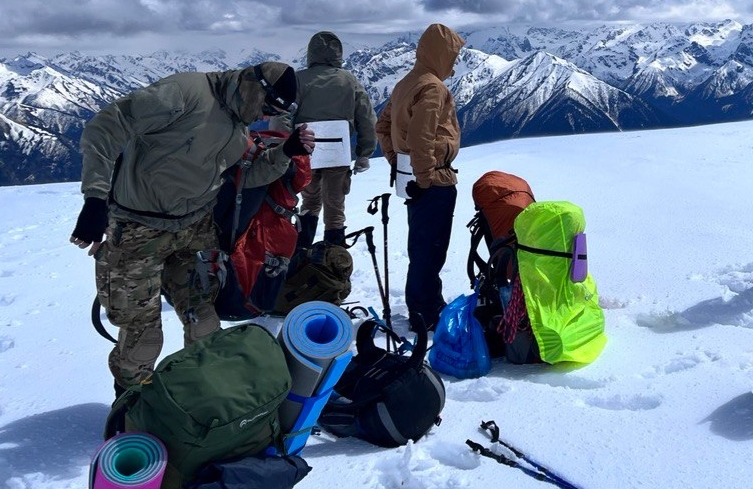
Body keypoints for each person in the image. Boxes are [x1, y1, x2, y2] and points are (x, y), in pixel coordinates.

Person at [71, 62, 316, 393]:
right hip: (137, 228)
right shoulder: (183, 93)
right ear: (254, 86)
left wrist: (286, 151)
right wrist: (96, 198)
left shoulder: (238, 128)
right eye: (266, 106)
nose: (262, 115)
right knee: (143, 335)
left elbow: (248, 177)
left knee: (204, 321)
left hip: (194, 229)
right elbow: (105, 127)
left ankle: (200, 397)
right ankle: (130, 404)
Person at [375, 23, 465, 338]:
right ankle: (426, 312)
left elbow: (382, 126)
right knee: (432, 248)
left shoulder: (406, 84)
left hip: (409, 178)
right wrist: (425, 176)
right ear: (440, 55)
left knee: (421, 247)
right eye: (452, 56)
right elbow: (422, 135)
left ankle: (422, 305)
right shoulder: (432, 88)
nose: (454, 63)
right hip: (434, 180)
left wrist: (397, 161)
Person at [280, 31, 378, 247]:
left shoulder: (298, 79)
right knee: (335, 208)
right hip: (338, 152)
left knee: (310, 202)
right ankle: (333, 261)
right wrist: (364, 153)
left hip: (305, 151)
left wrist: (284, 148)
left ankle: (301, 256)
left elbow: (282, 116)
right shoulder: (349, 80)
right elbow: (367, 119)